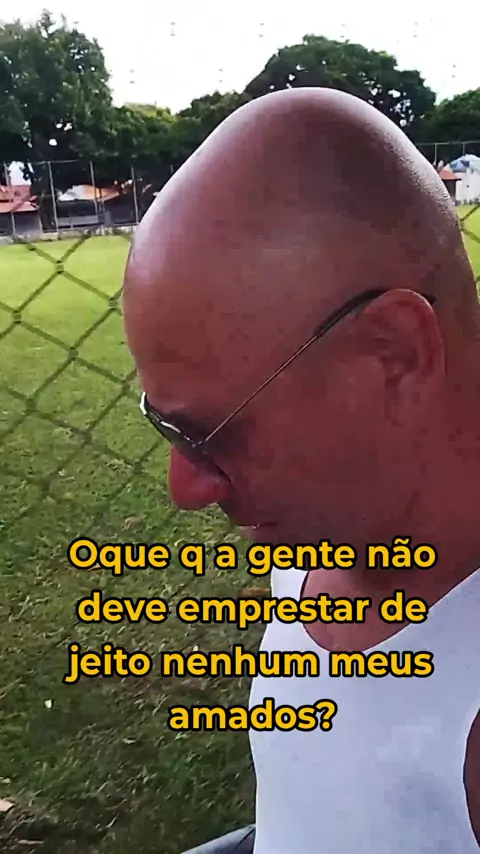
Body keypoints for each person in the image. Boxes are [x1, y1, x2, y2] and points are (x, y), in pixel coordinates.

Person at [122, 87, 480, 853]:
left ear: (393, 357)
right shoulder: (326, 531)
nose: (185, 488)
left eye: (209, 434)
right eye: (166, 426)